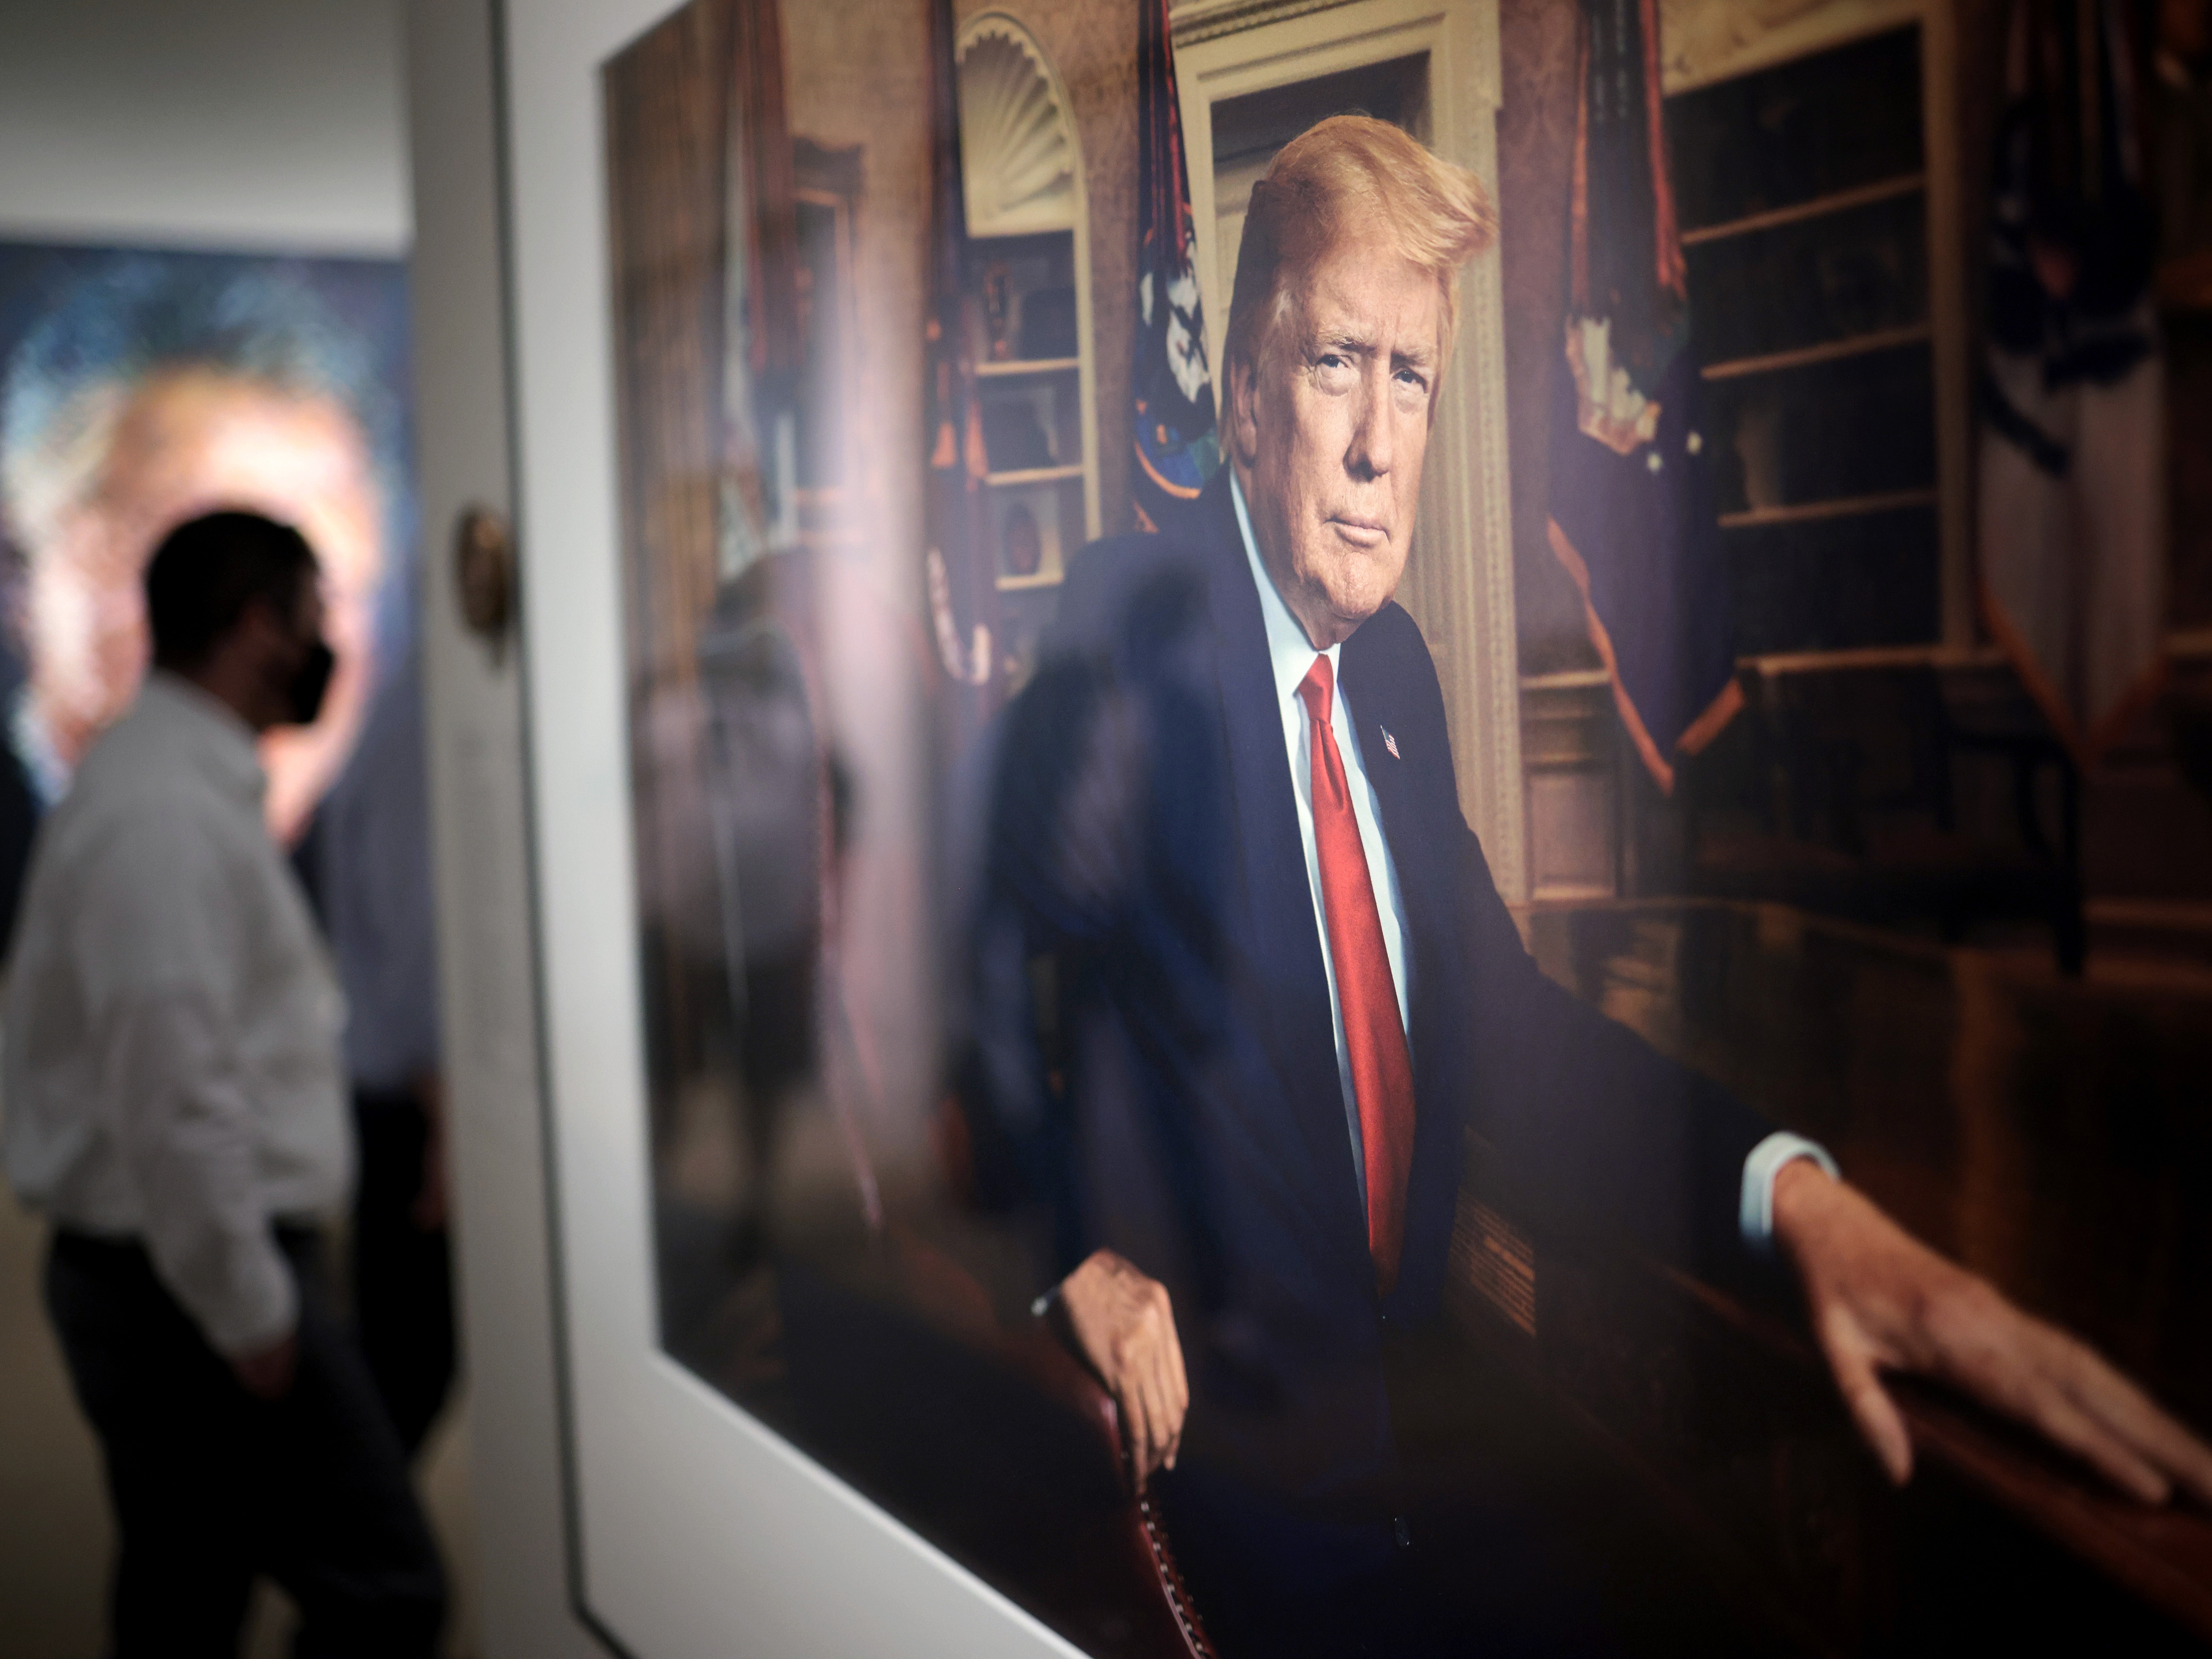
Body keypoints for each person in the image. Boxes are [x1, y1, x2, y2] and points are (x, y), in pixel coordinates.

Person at [974, 116, 2212, 1654]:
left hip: (1438, 1446)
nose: (1374, 437)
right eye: (1331, 363)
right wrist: (1061, 1262)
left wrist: (1798, 1199)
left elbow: (1515, 1035)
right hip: (1247, 1503)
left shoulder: (1395, 675)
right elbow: (951, 971)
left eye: (1409, 374)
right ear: (1239, 399)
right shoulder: (1125, 631)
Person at [2, 511, 445, 1657]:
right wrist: (249, 1305)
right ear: (257, 624)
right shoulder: (161, 811)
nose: (326, 648)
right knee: (387, 1587)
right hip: (186, 1282)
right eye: (314, 619)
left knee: (186, 1582)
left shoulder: (173, 783)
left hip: (171, 1269)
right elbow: (173, 1089)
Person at [0, 257, 396, 951]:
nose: (270, 641)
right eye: (197, 565)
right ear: (25, 572)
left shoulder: (386, 894)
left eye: (320, 582)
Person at [314, 645, 455, 1458]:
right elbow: (420, 942)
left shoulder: (407, 710)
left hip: (411, 1094)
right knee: (406, 1364)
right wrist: (444, 1133)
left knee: (406, 1359)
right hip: (412, 1100)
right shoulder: (420, 727)